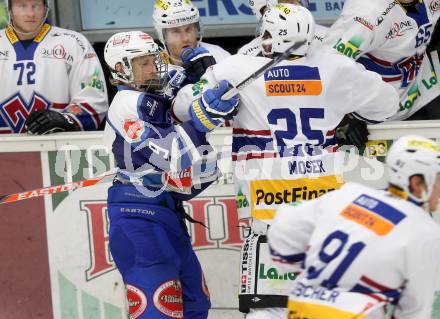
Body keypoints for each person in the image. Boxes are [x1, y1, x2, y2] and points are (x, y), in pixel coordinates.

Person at [172, 4, 399, 318]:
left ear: (269, 37)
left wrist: (202, 96)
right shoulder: (337, 68)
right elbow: (388, 104)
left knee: (267, 312)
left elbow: (182, 109)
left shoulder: (237, 70)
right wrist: (345, 110)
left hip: (269, 216)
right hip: (325, 218)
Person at [102, 30, 238, 319]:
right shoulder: (126, 103)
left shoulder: (152, 96)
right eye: (143, 63)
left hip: (166, 216)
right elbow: (172, 156)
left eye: (154, 60)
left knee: (196, 305)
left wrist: (203, 79)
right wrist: (201, 117)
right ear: (121, 69)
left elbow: (196, 172)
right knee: (159, 313)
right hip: (139, 222)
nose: (153, 68)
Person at [268, 135, 440, 319]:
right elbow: (414, 312)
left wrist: (303, 265)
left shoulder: (348, 195)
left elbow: (283, 224)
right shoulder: (427, 233)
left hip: (300, 310)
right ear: (417, 182)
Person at [320, 0, 440, 124]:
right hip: (371, 119)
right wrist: (345, 114)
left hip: (424, 94)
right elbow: (327, 65)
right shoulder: (367, 13)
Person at [0, 0, 108, 134]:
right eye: (22, 6)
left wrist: (66, 119)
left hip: (59, 149)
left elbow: (94, 101)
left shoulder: (74, 42)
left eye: (36, 6)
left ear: (46, 7)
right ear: (9, 8)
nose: (30, 13)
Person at [237, 0, 328, 56]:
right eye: (286, 0)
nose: (293, 3)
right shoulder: (247, 53)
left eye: (298, 0)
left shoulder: (328, 38)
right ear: (266, 8)